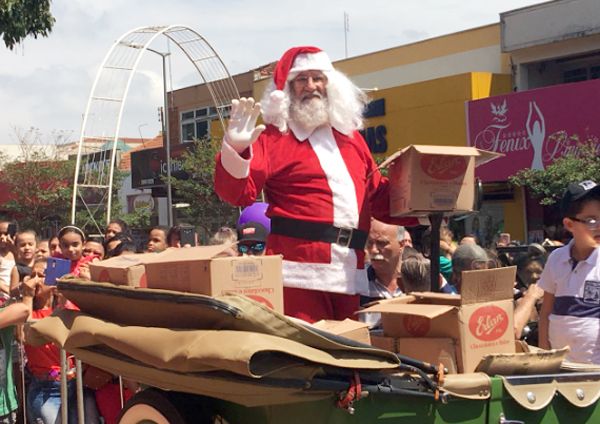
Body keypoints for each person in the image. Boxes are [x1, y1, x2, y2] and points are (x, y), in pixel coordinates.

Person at [214, 46, 416, 322]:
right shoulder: (275, 139)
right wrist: (235, 150)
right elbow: (238, 193)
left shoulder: (352, 140)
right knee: (309, 357)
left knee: (349, 356)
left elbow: (377, 196)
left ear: (330, 84)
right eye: (301, 79)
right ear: (287, 90)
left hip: (349, 273)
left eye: (317, 78)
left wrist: (427, 197)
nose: (311, 86)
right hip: (298, 275)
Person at [24, 257, 100, 423]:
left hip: (73, 385)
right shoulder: (28, 310)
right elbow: (23, 335)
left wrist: (68, 287)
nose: (36, 280)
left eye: (42, 275)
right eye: (33, 275)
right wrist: (27, 296)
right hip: (46, 390)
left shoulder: (61, 308)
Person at [538, 180, 600, 363]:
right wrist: (544, 355)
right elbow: (546, 311)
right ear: (569, 224)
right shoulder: (556, 259)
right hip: (561, 366)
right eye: (591, 220)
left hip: (595, 368)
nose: (598, 225)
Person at [0, 222, 16, 301]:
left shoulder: (17, 253)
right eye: (0, 234)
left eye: (6, 234)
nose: (2, 237)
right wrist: (8, 291)